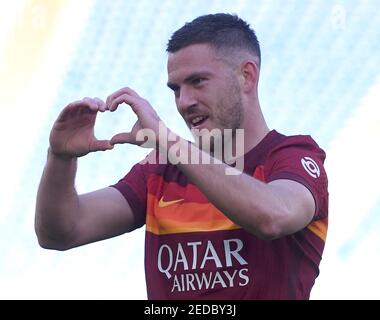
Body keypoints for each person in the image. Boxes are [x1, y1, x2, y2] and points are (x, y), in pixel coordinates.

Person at [35, 13, 328, 300]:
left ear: (247, 76)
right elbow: (61, 232)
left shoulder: (294, 156)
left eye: (198, 81)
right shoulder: (161, 170)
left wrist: (165, 139)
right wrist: (60, 159)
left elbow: (273, 217)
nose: (184, 102)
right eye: (176, 89)